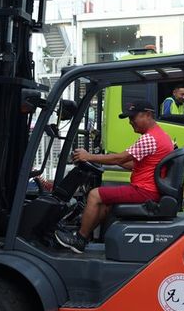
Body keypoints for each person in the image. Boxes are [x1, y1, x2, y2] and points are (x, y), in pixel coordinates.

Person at [54, 102, 174, 254]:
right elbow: (131, 164)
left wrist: (89, 156)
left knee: (94, 194)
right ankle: (85, 239)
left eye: (133, 117)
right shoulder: (162, 136)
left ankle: (79, 239)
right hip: (150, 189)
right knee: (104, 204)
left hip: (144, 190)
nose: (130, 122)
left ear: (148, 115)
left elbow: (119, 159)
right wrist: (99, 159)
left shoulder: (150, 139)